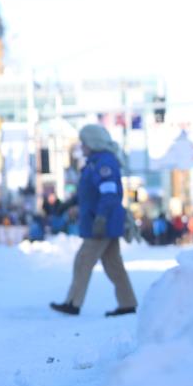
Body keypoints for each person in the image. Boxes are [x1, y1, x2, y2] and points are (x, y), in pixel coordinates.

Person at [50, 124, 137, 317]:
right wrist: (68, 203)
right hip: (100, 222)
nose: (81, 147)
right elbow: (88, 193)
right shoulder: (93, 163)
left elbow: (109, 194)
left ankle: (73, 303)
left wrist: (101, 217)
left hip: (101, 224)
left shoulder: (104, 163)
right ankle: (127, 303)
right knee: (114, 265)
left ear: (93, 142)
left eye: (84, 142)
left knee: (83, 261)